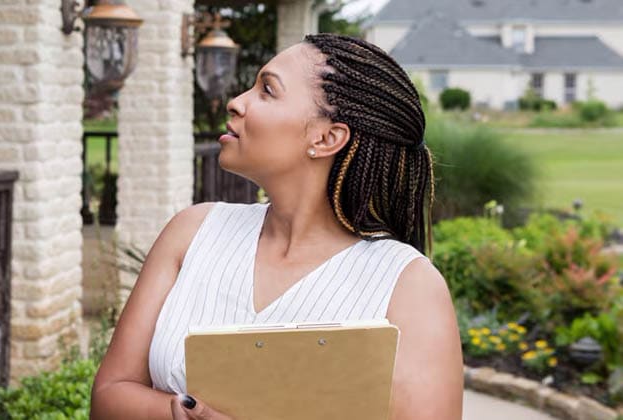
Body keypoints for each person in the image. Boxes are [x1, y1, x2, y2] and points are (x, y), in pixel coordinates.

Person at [90, 33, 463, 420]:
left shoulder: (408, 286)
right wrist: (178, 413)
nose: (237, 102)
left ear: (327, 137)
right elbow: (108, 395)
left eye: (267, 90)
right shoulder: (192, 233)